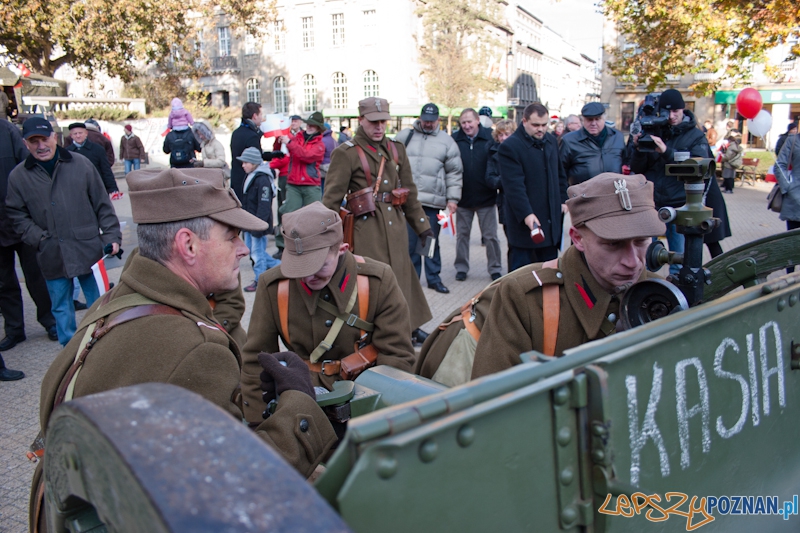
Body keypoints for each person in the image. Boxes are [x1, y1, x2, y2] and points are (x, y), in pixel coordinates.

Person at [29, 169, 337, 531]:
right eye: (231, 236)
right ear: (188, 245)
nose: (242, 249)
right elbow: (241, 490)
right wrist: (299, 402)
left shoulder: (117, 301)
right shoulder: (196, 348)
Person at [471, 172, 665, 378]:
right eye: (613, 244)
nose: (633, 261)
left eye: (641, 241)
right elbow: (495, 401)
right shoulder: (525, 299)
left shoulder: (664, 295)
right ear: (578, 238)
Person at [240, 202, 416, 420]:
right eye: (299, 266)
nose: (307, 276)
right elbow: (256, 361)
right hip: (300, 404)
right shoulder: (273, 286)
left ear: (342, 249)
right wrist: (259, 424)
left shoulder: (377, 281)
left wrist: (383, 417)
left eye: (317, 266)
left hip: (363, 402)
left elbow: (397, 356)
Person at [322, 97, 433, 345]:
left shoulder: (396, 148)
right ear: (361, 120)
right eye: (373, 122)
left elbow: (409, 192)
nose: (379, 126)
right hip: (366, 229)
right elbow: (330, 200)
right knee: (372, 283)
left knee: (403, 277)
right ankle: (373, 332)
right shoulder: (346, 153)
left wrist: (423, 226)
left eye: (383, 121)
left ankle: (409, 327)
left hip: (395, 225)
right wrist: (326, 239)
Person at [5, 118, 121, 346]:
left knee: (99, 302)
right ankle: (69, 350)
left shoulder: (81, 164)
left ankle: (103, 346)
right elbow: (16, 214)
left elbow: (102, 204)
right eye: (33, 141)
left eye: (44, 139)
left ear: (55, 137)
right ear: (25, 144)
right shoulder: (18, 176)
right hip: (51, 251)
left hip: (88, 248)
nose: (41, 145)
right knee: (60, 305)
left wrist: (111, 236)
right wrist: (38, 238)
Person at [630, 88, 709, 276]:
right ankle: (646, 290)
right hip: (651, 204)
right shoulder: (655, 129)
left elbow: (698, 168)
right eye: (667, 112)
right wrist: (638, 147)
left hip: (679, 205)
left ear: (683, 110)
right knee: (647, 256)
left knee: (679, 259)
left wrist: (666, 151)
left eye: (676, 111)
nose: (671, 116)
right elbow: (637, 167)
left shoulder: (695, 135)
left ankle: (678, 295)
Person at [0, 118, 57, 357]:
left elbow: (28, 167)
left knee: (37, 275)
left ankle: (49, 319)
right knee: (4, 281)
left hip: (22, 219)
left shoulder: (6, 130)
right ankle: (14, 328)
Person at [395, 103, 463, 294]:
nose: (428, 124)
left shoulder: (447, 141)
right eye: (425, 120)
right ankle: (412, 280)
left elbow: (455, 173)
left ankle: (433, 278)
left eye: (432, 121)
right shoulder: (405, 137)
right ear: (420, 117)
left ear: (438, 121)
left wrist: (453, 199)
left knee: (429, 242)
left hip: (434, 203)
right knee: (409, 243)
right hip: (408, 202)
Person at [499, 103, 568, 271]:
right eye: (536, 125)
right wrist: (527, 215)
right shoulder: (510, 147)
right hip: (525, 226)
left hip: (551, 225)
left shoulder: (551, 141)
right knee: (521, 277)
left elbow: (560, 175)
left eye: (544, 125)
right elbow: (514, 187)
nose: (541, 129)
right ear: (524, 121)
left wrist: (564, 200)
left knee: (550, 276)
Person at [452, 108, 501, 281]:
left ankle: (495, 268)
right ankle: (461, 268)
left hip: (486, 197)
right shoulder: (455, 140)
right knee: (462, 236)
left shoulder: (489, 137)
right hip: (463, 198)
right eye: (463, 122)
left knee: (491, 237)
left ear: (477, 121)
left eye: (469, 122)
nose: (466, 126)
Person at [236, 147, 280, 292]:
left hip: (257, 225)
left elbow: (264, 204)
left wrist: (258, 226)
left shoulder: (262, 179)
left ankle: (260, 280)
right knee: (254, 251)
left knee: (257, 253)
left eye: (246, 162)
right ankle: (280, 266)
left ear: (254, 162)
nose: (243, 165)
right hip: (249, 223)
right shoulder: (251, 176)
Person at [275, 111, 326, 238]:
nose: (309, 126)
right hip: (293, 183)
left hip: (310, 185)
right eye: (308, 123)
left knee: (315, 215)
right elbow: (279, 147)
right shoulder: (297, 138)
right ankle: (283, 245)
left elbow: (306, 156)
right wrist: (279, 138)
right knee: (288, 214)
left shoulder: (320, 145)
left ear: (318, 128)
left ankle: (315, 241)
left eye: (312, 125)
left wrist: (289, 142)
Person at [559, 102, 625, 186]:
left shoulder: (617, 137)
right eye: (589, 120)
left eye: (597, 119)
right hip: (583, 195)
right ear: (583, 120)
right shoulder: (569, 141)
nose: (593, 123)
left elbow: (626, 163)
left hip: (613, 194)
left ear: (604, 119)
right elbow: (561, 172)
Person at [230, 102, 285, 202]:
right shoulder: (252, 135)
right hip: (247, 179)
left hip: (236, 177)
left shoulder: (236, 132)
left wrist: (273, 154)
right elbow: (256, 159)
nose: (262, 118)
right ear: (255, 116)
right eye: (261, 115)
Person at [270, 115, 304, 259]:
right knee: (281, 209)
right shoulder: (283, 135)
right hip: (284, 175)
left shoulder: (301, 136)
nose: (294, 124)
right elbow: (276, 152)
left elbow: (298, 154)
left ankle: (295, 242)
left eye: (296, 121)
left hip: (296, 176)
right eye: (292, 121)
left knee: (293, 210)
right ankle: (281, 245)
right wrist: (278, 141)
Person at [485, 119, 516, 271]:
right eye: (500, 135)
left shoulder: (521, 150)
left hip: (524, 201)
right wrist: (509, 180)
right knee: (512, 242)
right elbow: (490, 179)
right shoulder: (493, 153)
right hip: (505, 202)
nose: (503, 138)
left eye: (507, 134)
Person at [65, 123, 119, 195]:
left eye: (80, 133)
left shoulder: (98, 149)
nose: (78, 136)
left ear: (86, 133)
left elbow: (106, 170)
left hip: (97, 187)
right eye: (75, 134)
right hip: (77, 190)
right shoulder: (67, 152)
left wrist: (113, 188)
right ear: (71, 136)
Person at [775, 125, 800, 272]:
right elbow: (780, 165)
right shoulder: (793, 140)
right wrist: (788, 188)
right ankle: (789, 280)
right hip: (795, 198)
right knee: (792, 244)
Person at [320, 122, 336, 194]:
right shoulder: (333, 140)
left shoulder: (322, 141)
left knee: (323, 189)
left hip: (323, 168)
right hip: (332, 166)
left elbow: (320, 155)